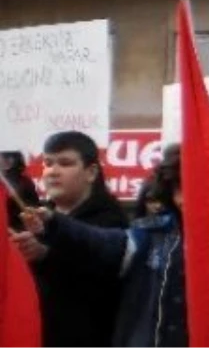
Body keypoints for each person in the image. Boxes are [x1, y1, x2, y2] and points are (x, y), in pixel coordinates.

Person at [18, 144, 188, 348]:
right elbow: (100, 243)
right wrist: (55, 223)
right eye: (178, 188)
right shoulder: (152, 235)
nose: (184, 198)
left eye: (65, 163)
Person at [11, 131, 128, 348]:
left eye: (65, 163)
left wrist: (45, 256)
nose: (52, 172)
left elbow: (98, 277)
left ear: (91, 172)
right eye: (47, 163)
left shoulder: (111, 218)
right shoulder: (38, 214)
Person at [4, 151, 41, 230]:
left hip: (20, 227)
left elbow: (35, 204)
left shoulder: (25, 181)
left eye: (8, 157)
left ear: (16, 159)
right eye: (2, 157)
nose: (4, 160)